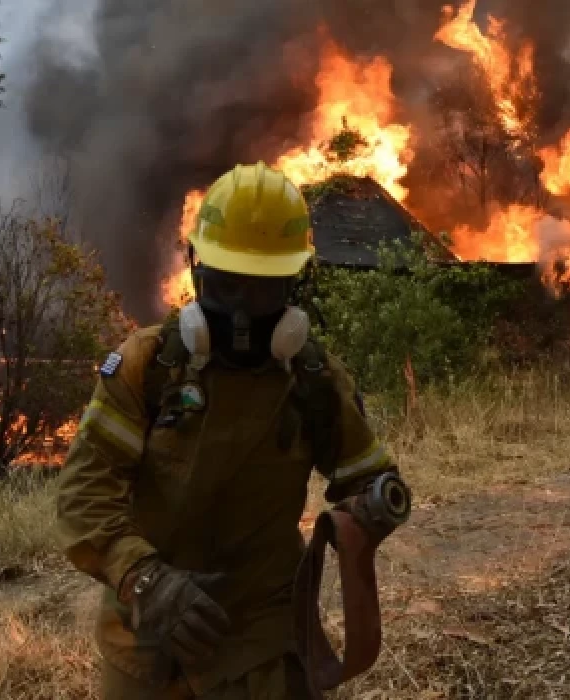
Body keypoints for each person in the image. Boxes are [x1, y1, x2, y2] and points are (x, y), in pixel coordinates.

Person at [56, 163, 407, 699]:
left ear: (294, 284)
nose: (242, 308)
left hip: (262, 649)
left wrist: (374, 503)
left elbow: (366, 476)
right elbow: (85, 494)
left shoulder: (313, 379)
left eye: (263, 287)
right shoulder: (147, 367)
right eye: (228, 283)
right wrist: (145, 579)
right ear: (197, 272)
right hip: (146, 648)